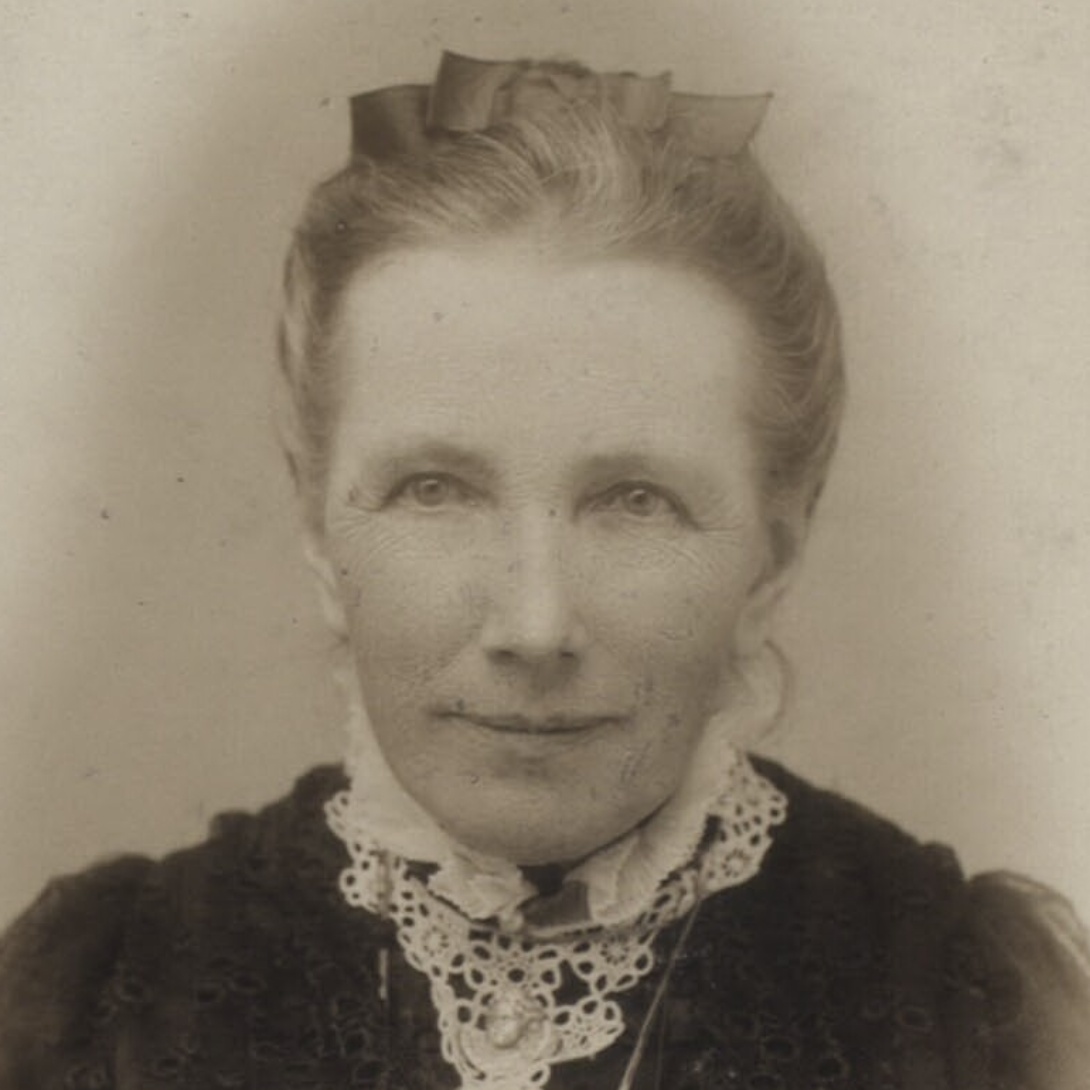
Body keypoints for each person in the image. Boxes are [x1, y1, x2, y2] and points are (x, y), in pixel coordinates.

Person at [1, 49, 1087, 1090]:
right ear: (320, 536)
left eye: (635, 501)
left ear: (771, 562)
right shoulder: (103, 1002)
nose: (533, 624)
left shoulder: (976, 1014)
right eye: (434, 489)